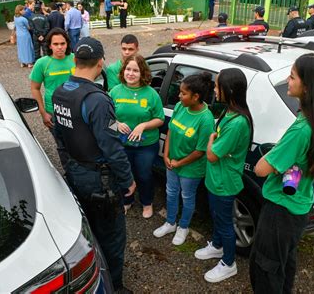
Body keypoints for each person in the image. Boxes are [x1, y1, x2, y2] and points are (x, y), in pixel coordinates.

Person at [249, 53, 314, 293]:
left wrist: (275, 153)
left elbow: (260, 169)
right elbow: (302, 162)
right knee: (284, 264)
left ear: (308, 87)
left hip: (280, 211)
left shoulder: (301, 129)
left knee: (265, 269)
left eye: (292, 77)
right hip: (298, 207)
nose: (288, 81)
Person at [52, 37, 135, 294]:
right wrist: (127, 180)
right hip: (101, 179)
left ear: (75, 60)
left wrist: (69, 164)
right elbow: (111, 147)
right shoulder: (97, 99)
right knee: (111, 236)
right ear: (100, 63)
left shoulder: (60, 92)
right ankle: (114, 287)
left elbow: (59, 134)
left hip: (76, 170)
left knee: (89, 227)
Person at [194, 68, 253, 283]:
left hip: (224, 183)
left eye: (218, 86)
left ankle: (229, 263)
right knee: (217, 217)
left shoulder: (237, 123)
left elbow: (211, 155)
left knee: (226, 223)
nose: (215, 90)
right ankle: (217, 246)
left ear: (229, 90)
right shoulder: (228, 111)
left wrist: (211, 139)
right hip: (215, 180)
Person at [153, 72, 215, 245]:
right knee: (171, 192)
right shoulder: (181, 106)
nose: (179, 96)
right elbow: (171, 130)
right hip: (172, 162)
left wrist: (179, 162)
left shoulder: (206, 119)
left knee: (187, 197)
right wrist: (166, 155)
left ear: (196, 96)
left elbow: (200, 151)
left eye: (183, 93)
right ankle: (170, 222)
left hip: (190, 167)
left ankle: (183, 227)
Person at [109, 54, 165, 218]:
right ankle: (127, 200)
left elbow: (160, 119)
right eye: (128, 69)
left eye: (135, 70)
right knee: (125, 173)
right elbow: (105, 120)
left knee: (144, 173)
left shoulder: (151, 94)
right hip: (122, 144)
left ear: (143, 73)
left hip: (146, 145)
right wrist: (116, 124)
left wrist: (143, 125)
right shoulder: (115, 92)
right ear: (123, 70)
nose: (130, 73)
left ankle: (147, 203)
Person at [30, 28, 75, 169]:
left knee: (78, 143)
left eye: (62, 43)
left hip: (76, 110)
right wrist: (43, 112)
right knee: (62, 146)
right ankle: (70, 175)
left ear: (67, 44)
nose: (60, 47)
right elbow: (35, 88)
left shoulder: (75, 59)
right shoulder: (42, 63)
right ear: (49, 45)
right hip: (54, 112)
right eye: (56, 44)